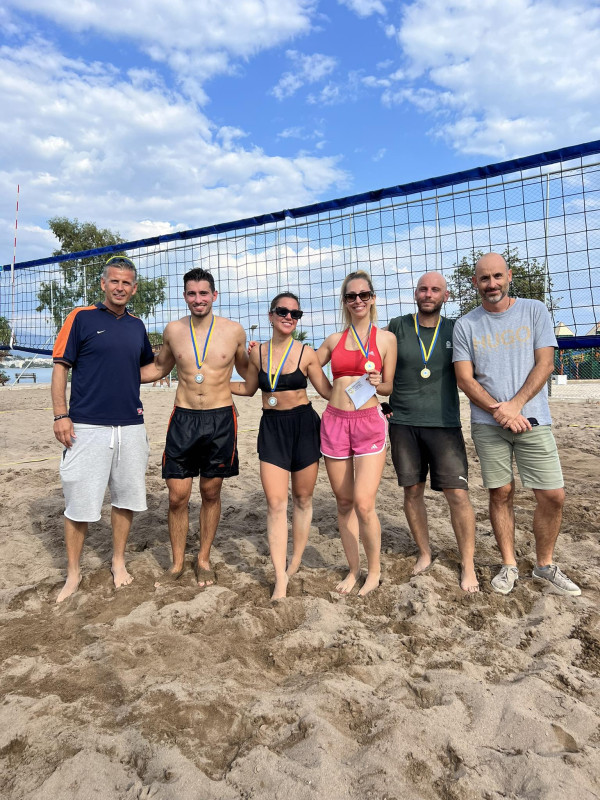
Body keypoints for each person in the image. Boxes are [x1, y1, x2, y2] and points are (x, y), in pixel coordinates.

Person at [453, 252, 581, 596]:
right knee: (501, 493)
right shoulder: (466, 324)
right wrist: (500, 410)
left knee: (553, 495)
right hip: (488, 423)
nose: (491, 284)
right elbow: (465, 379)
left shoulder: (534, 310)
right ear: (475, 282)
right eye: (484, 278)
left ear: (509, 276)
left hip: (532, 419)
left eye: (497, 276)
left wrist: (516, 405)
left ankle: (544, 565)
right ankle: (509, 564)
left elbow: (546, 363)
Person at [51, 255, 155, 603]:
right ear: (103, 284)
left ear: (134, 288)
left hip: (130, 426)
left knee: (125, 499)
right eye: (114, 281)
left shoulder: (137, 326)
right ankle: (74, 573)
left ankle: (118, 561)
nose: (120, 287)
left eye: (127, 283)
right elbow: (60, 368)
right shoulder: (80, 317)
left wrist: (179, 359)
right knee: (79, 504)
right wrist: (59, 415)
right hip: (85, 426)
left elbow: (146, 371)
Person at [140, 267, 248, 587]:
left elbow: (249, 373)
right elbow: (158, 368)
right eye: (191, 293)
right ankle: (176, 563)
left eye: (204, 293)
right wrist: (119, 372)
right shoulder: (173, 330)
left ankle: (202, 558)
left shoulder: (234, 330)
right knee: (177, 496)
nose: (198, 299)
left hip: (220, 419)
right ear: (184, 295)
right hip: (183, 418)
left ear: (215, 295)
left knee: (211, 491)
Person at [231, 292, 332, 600]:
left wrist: (369, 389)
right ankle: (280, 577)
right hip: (272, 427)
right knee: (276, 504)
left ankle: (296, 559)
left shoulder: (306, 353)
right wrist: (212, 383)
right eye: (283, 311)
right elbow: (248, 389)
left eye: (295, 314)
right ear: (271, 315)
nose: (289, 317)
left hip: (304, 426)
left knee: (302, 498)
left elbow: (328, 391)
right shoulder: (257, 353)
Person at [386, 272, 479, 593]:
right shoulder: (397, 327)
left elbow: (479, 369)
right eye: (423, 289)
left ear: (446, 295)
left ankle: (468, 564)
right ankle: (425, 553)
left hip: (445, 425)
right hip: (403, 424)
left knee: (458, 495)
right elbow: (367, 358)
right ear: (415, 294)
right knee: (412, 492)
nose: (428, 294)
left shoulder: (457, 329)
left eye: (435, 289)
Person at [317, 270, 397, 596]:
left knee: (364, 503)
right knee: (344, 502)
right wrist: (328, 392)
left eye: (364, 295)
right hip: (335, 421)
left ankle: (374, 571)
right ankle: (354, 570)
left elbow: (390, 386)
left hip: (368, 422)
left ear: (373, 298)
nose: (358, 300)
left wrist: (381, 383)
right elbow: (307, 364)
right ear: (345, 301)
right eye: (351, 296)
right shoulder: (334, 340)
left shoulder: (386, 339)